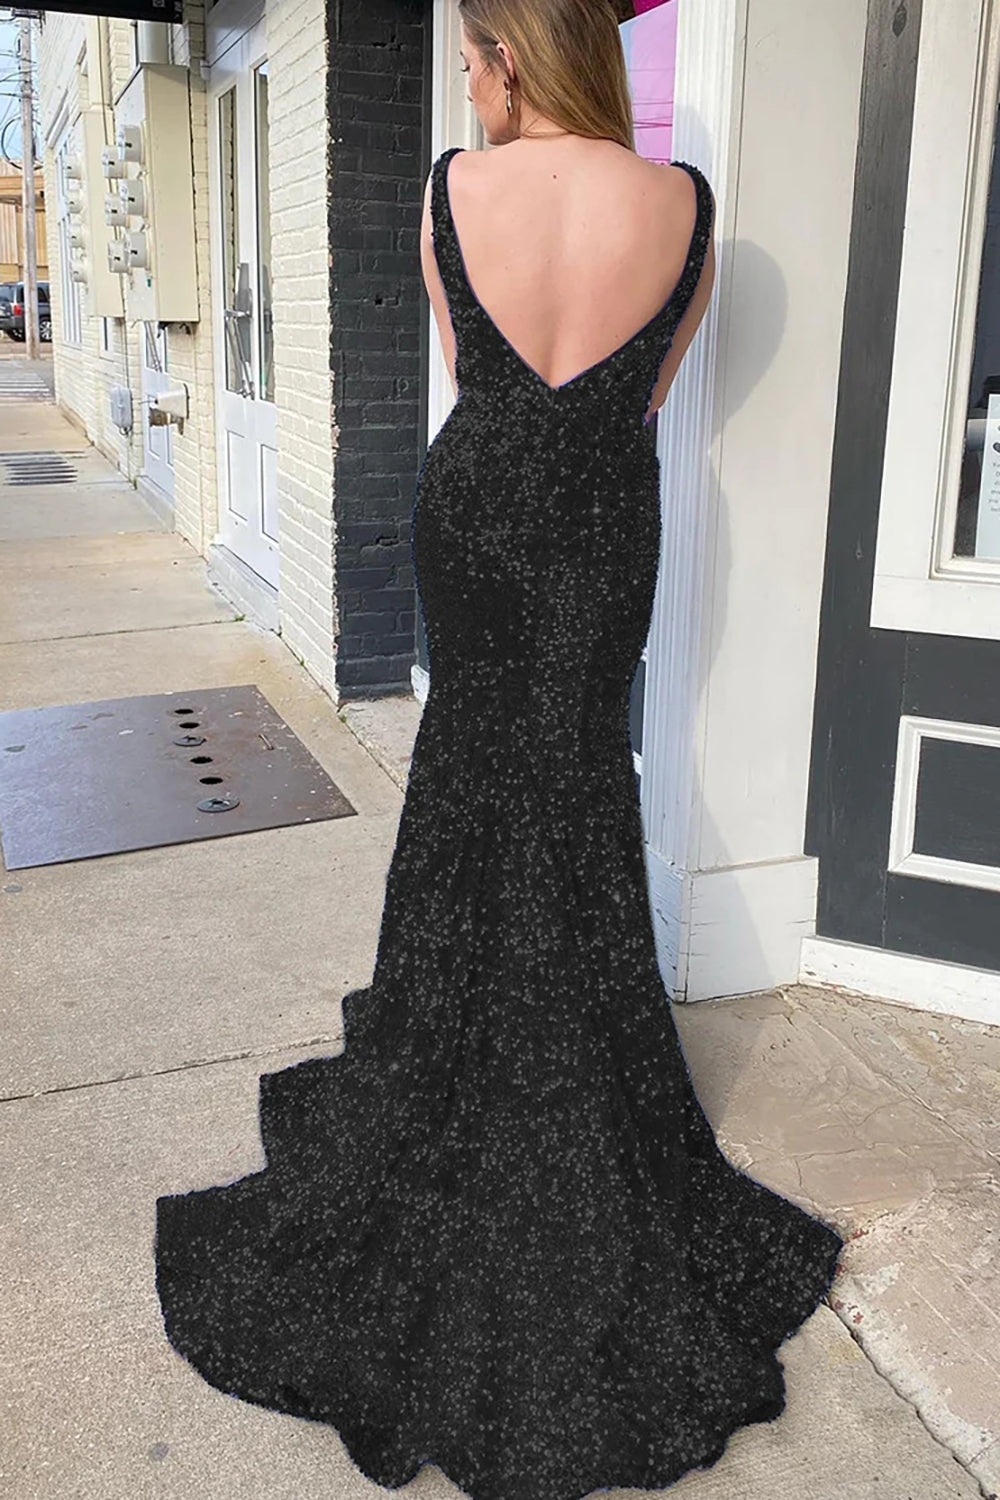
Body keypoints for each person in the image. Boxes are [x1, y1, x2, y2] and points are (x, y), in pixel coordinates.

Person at [153, 3, 846, 1497]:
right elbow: (640, 398)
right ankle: (578, 1066)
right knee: (580, 784)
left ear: (510, 56)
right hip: (604, 527)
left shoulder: (451, 192)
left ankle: (456, 1041)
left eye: (472, 60)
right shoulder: (683, 209)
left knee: (470, 782)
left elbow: (480, 377)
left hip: (478, 510)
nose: (469, 84)